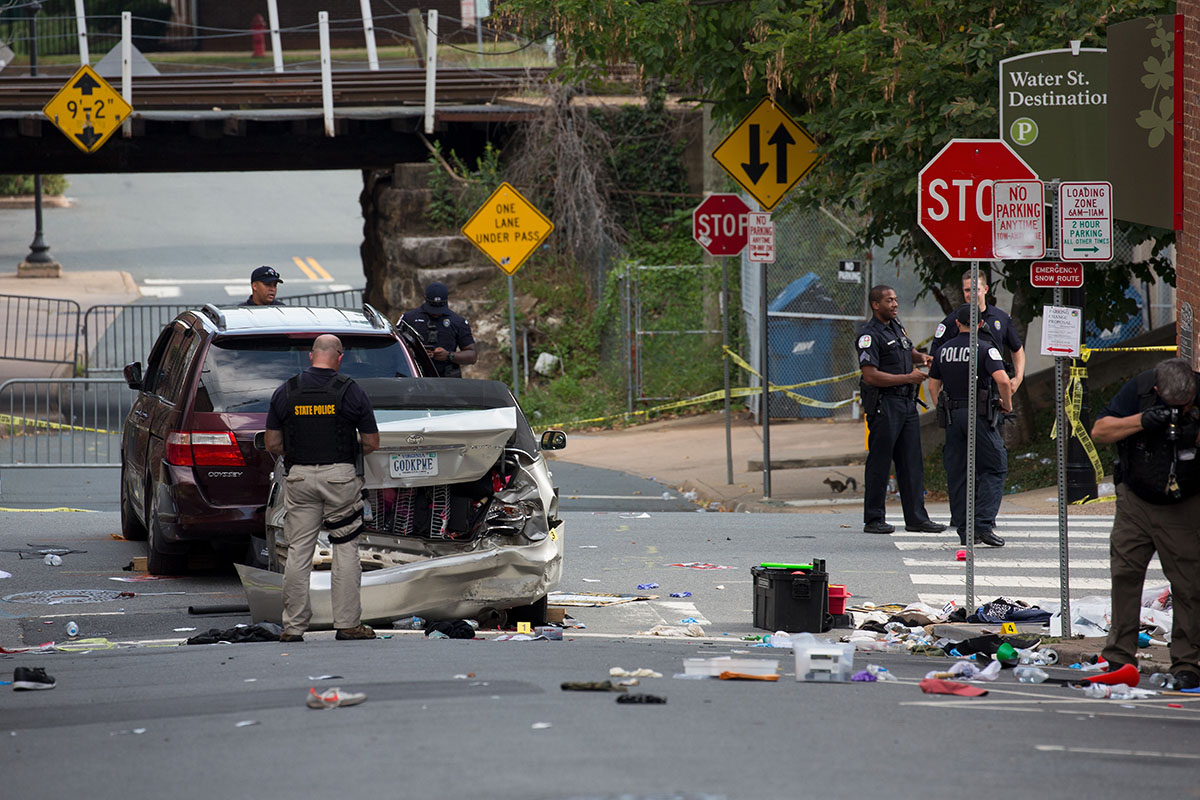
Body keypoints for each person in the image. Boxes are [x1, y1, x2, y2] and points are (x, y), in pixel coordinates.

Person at [1090, 357, 1200, 690]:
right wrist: (1143, 420)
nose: (1179, 410)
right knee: (1124, 573)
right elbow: (1100, 430)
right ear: (1157, 390)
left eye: (1186, 404)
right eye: (1172, 406)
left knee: (1189, 584)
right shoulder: (1137, 390)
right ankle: (1120, 657)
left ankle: (1187, 662)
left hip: (1185, 500)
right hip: (1136, 497)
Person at [265, 334, 380, 643]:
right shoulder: (351, 390)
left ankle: (293, 627)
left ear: (310, 356)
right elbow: (371, 443)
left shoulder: (286, 391)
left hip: (299, 478)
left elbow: (272, 443)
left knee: (298, 551)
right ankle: (347, 624)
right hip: (340, 478)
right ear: (339, 358)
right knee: (345, 548)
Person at [856, 285, 945, 535]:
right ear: (876, 305)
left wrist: (922, 358)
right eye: (889, 300)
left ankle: (916, 518)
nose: (895, 304)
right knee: (880, 462)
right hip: (885, 405)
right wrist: (908, 378)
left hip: (906, 405)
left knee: (911, 462)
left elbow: (907, 350)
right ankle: (874, 518)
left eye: (895, 299)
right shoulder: (869, 335)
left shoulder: (896, 326)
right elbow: (871, 375)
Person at [926, 304, 1014, 548]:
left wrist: (943, 408)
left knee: (959, 473)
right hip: (980, 415)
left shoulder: (943, 350)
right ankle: (983, 525)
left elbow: (933, 387)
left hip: (953, 418)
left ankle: (966, 531)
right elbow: (1003, 381)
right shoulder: (986, 349)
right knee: (995, 466)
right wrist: (1006, 404)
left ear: (957, 324)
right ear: (978, 324)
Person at [930, 269, 1025, 394]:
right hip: (959, 393)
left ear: (985, 289)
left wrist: (1018, 378)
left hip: (992, 392)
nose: (971, 294)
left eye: (976, 290)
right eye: (967, 290)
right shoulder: (951, 322)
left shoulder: (1001, 318)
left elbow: (1017, 348)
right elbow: (933, 358)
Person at [399, 282, 476, 377]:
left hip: (446, 378)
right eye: (432, 309)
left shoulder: (458, 322)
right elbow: (395, 347)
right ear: (425, 298)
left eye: (439, 310)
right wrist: (414, 353)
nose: (436, 314)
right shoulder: (409, 318)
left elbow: (472, 356)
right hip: (416, 375)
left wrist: (449, 355)